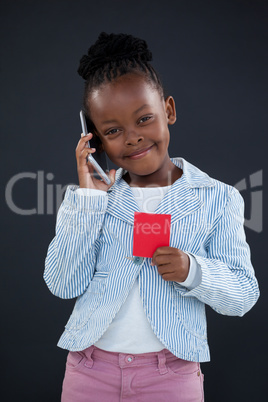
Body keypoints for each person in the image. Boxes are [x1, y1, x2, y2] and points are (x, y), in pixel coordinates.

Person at [44, 32, 260, 402]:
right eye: (113, 131)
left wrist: (193, 270)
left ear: (169, 111)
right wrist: (89, 202)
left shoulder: (217, 198)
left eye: (144, 119)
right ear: (94, 139)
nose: (132, 138)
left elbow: (244, 294)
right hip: (89, 369)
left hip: (171, 375)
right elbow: (62, 284)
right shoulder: (87, 201)